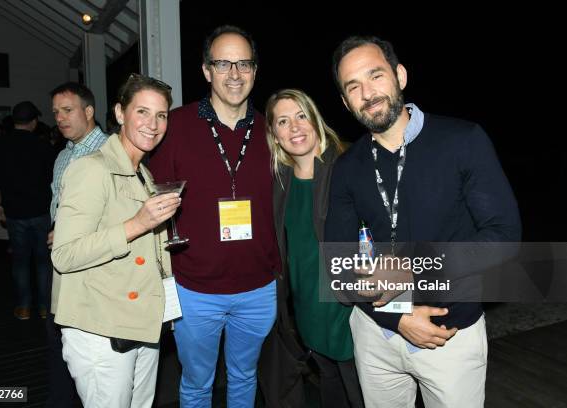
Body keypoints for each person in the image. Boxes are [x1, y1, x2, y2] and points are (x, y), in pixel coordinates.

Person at [325, 36, 521, 407]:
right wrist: (394, 317)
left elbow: (504, 237)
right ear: (345, 102)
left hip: (448, 333)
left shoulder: (462, 140)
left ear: (399, 75)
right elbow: (338, 264)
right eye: (354, 87)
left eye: (376, 75)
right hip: (375, 333)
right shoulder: (348, 167)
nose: (368, 93)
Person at [148, 25, 279, 407]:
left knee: (244, 378)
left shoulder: (274, 128)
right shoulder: (175, 126)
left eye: (243, 64)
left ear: (255, 70)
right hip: (195, 291)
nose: (234, 74)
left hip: (259, 288)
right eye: (223, 63)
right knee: (196, 383)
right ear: (206, 70)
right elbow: (139, 188)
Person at [51, 74, 180, 408]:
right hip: (101, 330)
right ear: (120, 114)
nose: (153, 124)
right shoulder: (90, 169)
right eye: (143, 112)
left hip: (141, 322)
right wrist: (135, 225)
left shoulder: (143, 172)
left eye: (161, 115)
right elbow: (64, 255)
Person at [263, 89, 364, 408]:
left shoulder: (350, 165)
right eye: (283, 121)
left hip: (348, 308)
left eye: (301, 115)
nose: (294, 127)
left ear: (315, 119)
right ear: (275, 135)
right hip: (308, 309)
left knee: (360, 391)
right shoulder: (281, 181)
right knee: (330, 386)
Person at [46, 81, 108, 408]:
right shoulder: (62, 156)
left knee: (90, 349)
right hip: (61, 262)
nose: (59, 118)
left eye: (67, 110)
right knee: (61, 339)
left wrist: (71, 234)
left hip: (94, 267)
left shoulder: (110, 151)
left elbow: (122, 216)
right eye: (56, 112)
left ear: (88, 111)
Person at [0, 101, 55, 320]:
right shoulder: (44, 146)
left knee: (20, 261)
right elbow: (53, 181)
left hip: (14, 213)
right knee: (43, 261)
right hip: (41, 212)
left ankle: (24, 307)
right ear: (34, 122)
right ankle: (45, 307)